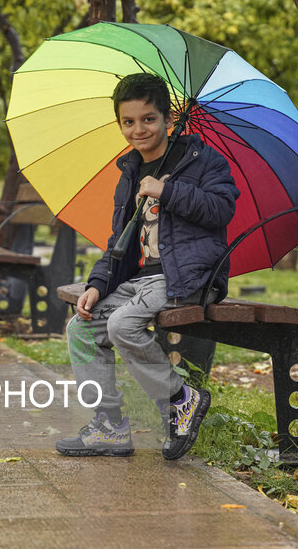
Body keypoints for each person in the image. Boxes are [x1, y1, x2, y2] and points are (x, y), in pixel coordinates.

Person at [56, 72, 238, 461]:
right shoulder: (130, 172)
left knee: (123, 324)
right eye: (128, 122)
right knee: (82, 327)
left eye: (148, 119)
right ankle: (109, 426)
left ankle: (179, 398)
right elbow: (118, 245)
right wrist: (97, 284)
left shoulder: (203, 160)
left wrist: (167, 190)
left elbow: (222, 209)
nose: (138, 129)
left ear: (169, 118)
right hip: (142, 279)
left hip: (187, 276)